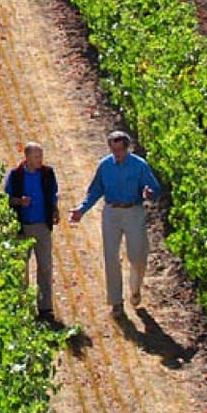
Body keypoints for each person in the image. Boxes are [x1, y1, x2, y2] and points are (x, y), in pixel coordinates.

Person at [69, 131, 161, 318]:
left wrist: (149, 193)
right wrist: (81, 210)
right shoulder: (104, 166)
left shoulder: (139, 165)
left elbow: (155, 189)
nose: (117, 154)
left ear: (127, 148)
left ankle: (135, 289)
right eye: (113, 150)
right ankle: (116, 302)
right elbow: (95, 191)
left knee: (137, 257)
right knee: (111, 257)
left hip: (133, 211)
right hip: (111, 212)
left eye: (120, 150)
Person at [4, 142, 59, 321]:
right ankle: (23, 307)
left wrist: (55, 210)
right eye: (36, 157)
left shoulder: (47, 174)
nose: (40, 160)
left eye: (41, 156)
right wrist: (20, 201)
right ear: (27, 157)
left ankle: (45, 307)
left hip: (42, 226)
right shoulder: (16, 175)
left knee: (45, 266)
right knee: (21, 268)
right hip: (23, 227)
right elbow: (7, 199)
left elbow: (52, 195)